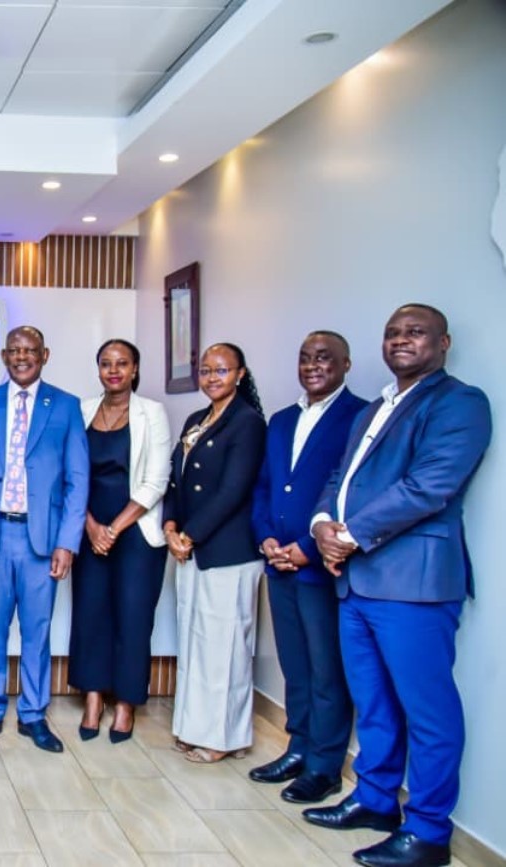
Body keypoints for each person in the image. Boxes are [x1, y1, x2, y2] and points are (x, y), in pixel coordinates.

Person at [304, 305, 491, 867]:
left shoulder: (459, 402)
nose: (401, 341)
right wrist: (321, 527)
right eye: (393, 333)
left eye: (415, 332)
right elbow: (340, 479)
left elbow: (430, 485)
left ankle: (429, 831)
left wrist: (351, 534)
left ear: (443, 342)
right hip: (356, 580)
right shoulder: (378, 407)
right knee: (374, 701)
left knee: (426, 708)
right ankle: (376, 798)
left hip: (413, 583)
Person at [0, 326, 88, 753]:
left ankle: (33, 715)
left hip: (42, 541)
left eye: (29, 350)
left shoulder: (66, 407)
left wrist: (67, 542)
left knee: (37, 632)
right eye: (13, 350)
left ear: (45, 355)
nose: (21, 357)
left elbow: (77, 480)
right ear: (4, 355)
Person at [248, 332, 367, 802]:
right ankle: (297, 747)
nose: (313, 366)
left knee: (326, 669)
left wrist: (307, 548)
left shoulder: (359, 416)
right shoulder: (280, 420)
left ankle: (324, 765)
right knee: (295, 665)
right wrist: (267, 539)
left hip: (319, 566)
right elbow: (264, 488)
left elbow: (350, 493)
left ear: (346, 363)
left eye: (324, 358)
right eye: (305, 358)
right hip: (278, 562)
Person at [163, 342, 266, 764]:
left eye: (221, 370)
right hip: (190, 547)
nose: (212, 377)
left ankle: (224, 737)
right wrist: (170, 525)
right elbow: (175, 479)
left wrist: (190, 534)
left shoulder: (248, 423)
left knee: (225, 649)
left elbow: (233, 491)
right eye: (206, 370)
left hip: (228, 551)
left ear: (240, 373)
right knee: (196, 643)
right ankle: (193, 727)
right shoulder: (196, 419)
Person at [70, 339, 172, 742]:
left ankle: (126, 705)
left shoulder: (152, 413)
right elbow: (71, 477)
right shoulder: (81, 410)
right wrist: (92, 526)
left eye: (122, 364)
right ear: (98, 369)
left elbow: (156, 480)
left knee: (133, 618)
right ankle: (93, 700)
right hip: (88, 530)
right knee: (90, 615)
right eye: (106, 364)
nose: (114, 370)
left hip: (136, 533)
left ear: (135, 369)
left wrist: (115, 529)